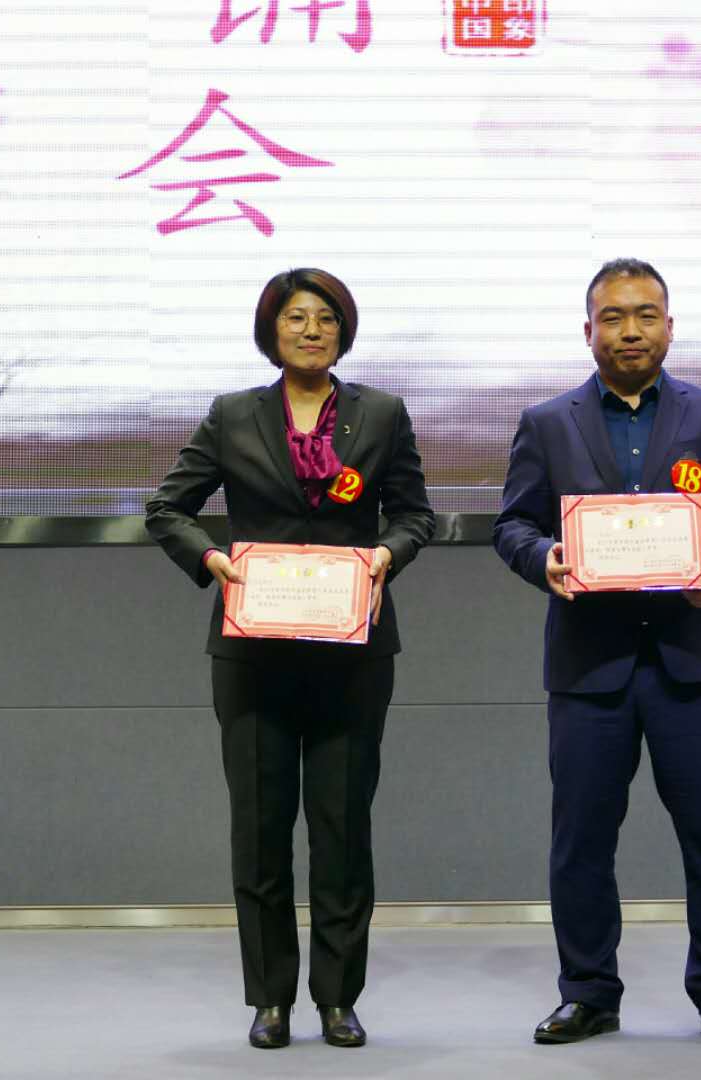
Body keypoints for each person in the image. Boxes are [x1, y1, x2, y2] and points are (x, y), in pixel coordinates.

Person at [146, 268, 434, 1050]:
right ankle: (270, 998)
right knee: (261, 831)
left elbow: (415, 515)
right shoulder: (233, 414)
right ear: (271, 331)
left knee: (342, 832)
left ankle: (338, 999)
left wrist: (386, 554)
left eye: (326, 318)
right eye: (296, 318)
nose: (312, 330)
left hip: (352, 651)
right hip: (253, 654)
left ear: (345, 330)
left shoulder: (382, 414)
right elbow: (167, 507)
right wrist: (211, 559)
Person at [493, 258, 701, 1049]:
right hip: (589, 666)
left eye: (645, 315)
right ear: (588, 330)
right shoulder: (547, 423)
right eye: (613, 317)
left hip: (693, 659)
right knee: (581, 840)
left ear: (669, 326)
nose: (630, 331)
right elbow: (511, 525)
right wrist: (544, 559)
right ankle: (588, 992)